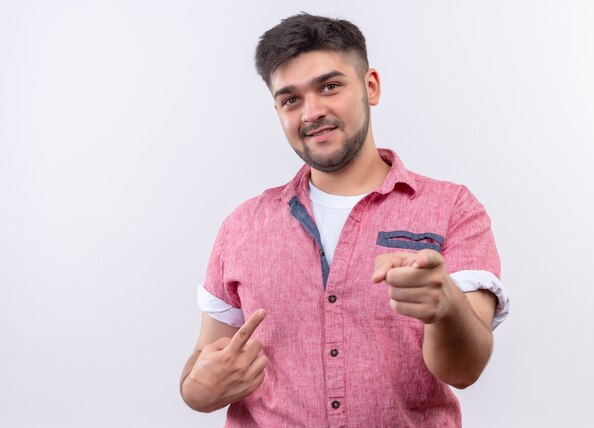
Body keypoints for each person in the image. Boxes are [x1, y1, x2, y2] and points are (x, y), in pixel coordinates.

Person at [179, 13, 509, 427]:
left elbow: (464, 371)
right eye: (290, 99)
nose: (311, 112)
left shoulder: (452, 209)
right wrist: (197, 391)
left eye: (329, 86)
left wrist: (445, 308)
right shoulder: (241, 226)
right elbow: (204, 361)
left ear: (370, 86)